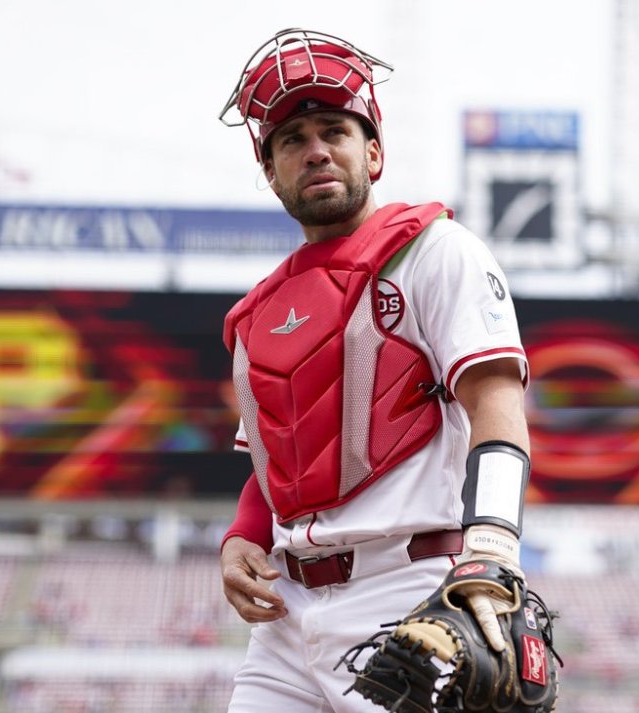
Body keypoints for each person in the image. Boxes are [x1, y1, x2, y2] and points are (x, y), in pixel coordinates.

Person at [217, 28, 535, 712]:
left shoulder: (435, 252)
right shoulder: (257, 314)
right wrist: (242, 535)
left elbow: (497, 403)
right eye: (291, 140)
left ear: (374, 151)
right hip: (286, 617)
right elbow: (275, 466)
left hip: (408, 592)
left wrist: (492, 546)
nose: (316, 150)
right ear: (271, 172)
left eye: (334, 130)